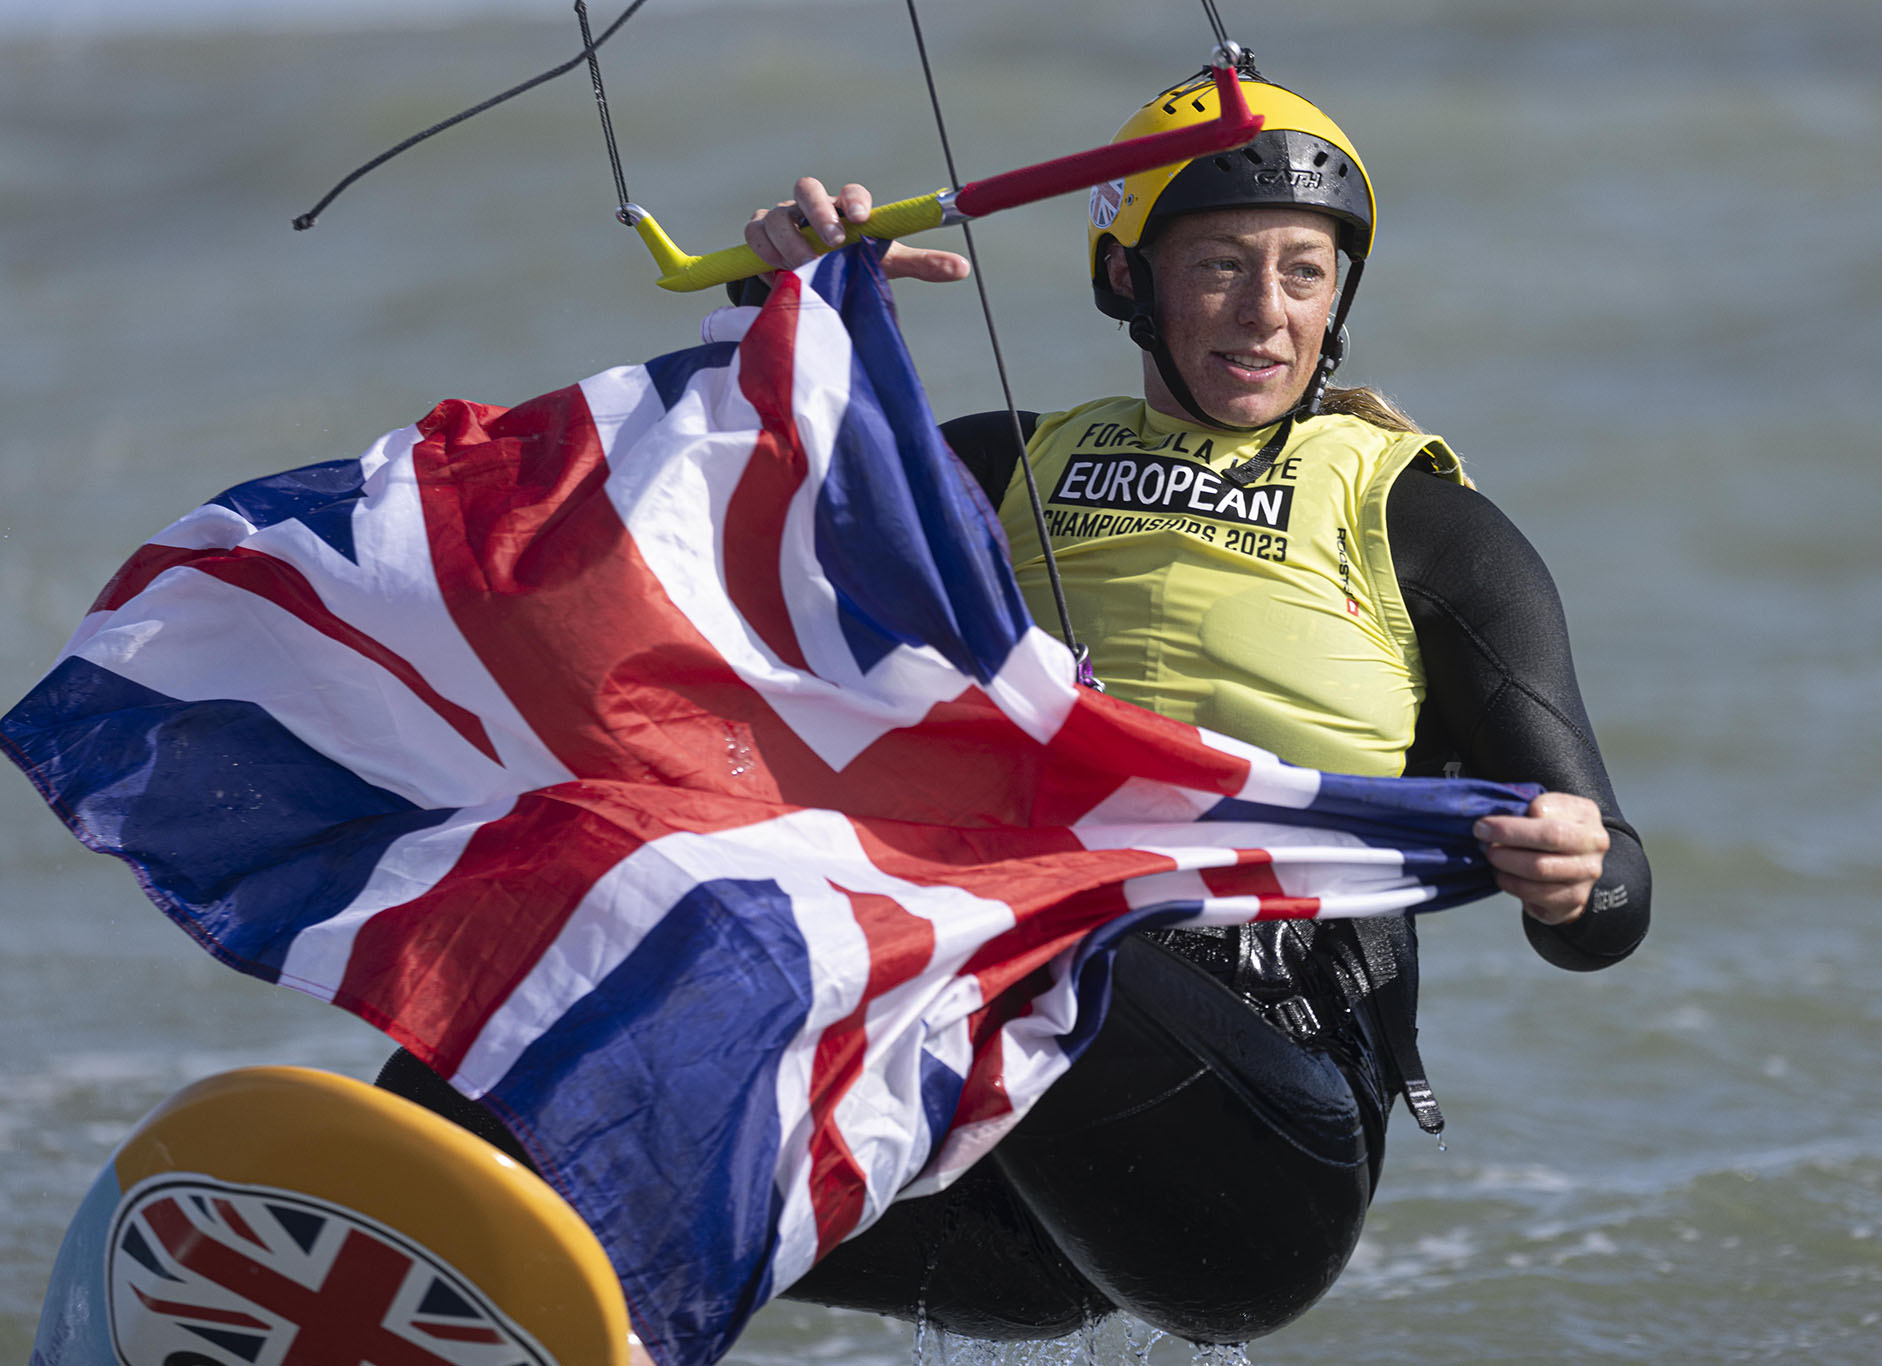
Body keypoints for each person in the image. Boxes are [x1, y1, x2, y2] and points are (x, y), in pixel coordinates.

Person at [381, 61, 1651, 1349]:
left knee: (1022, 912)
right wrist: (791, 311)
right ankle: (376, 1221)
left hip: (1255, 1155)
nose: (1265, 311)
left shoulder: (1424, 526)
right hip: (983, 1193)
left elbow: (1612, 907)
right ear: (1128, 279)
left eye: (1304, 273)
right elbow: (704, 564)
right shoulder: (1000, 472)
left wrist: (1571, 873)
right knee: (571, 976)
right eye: (1217, 264)